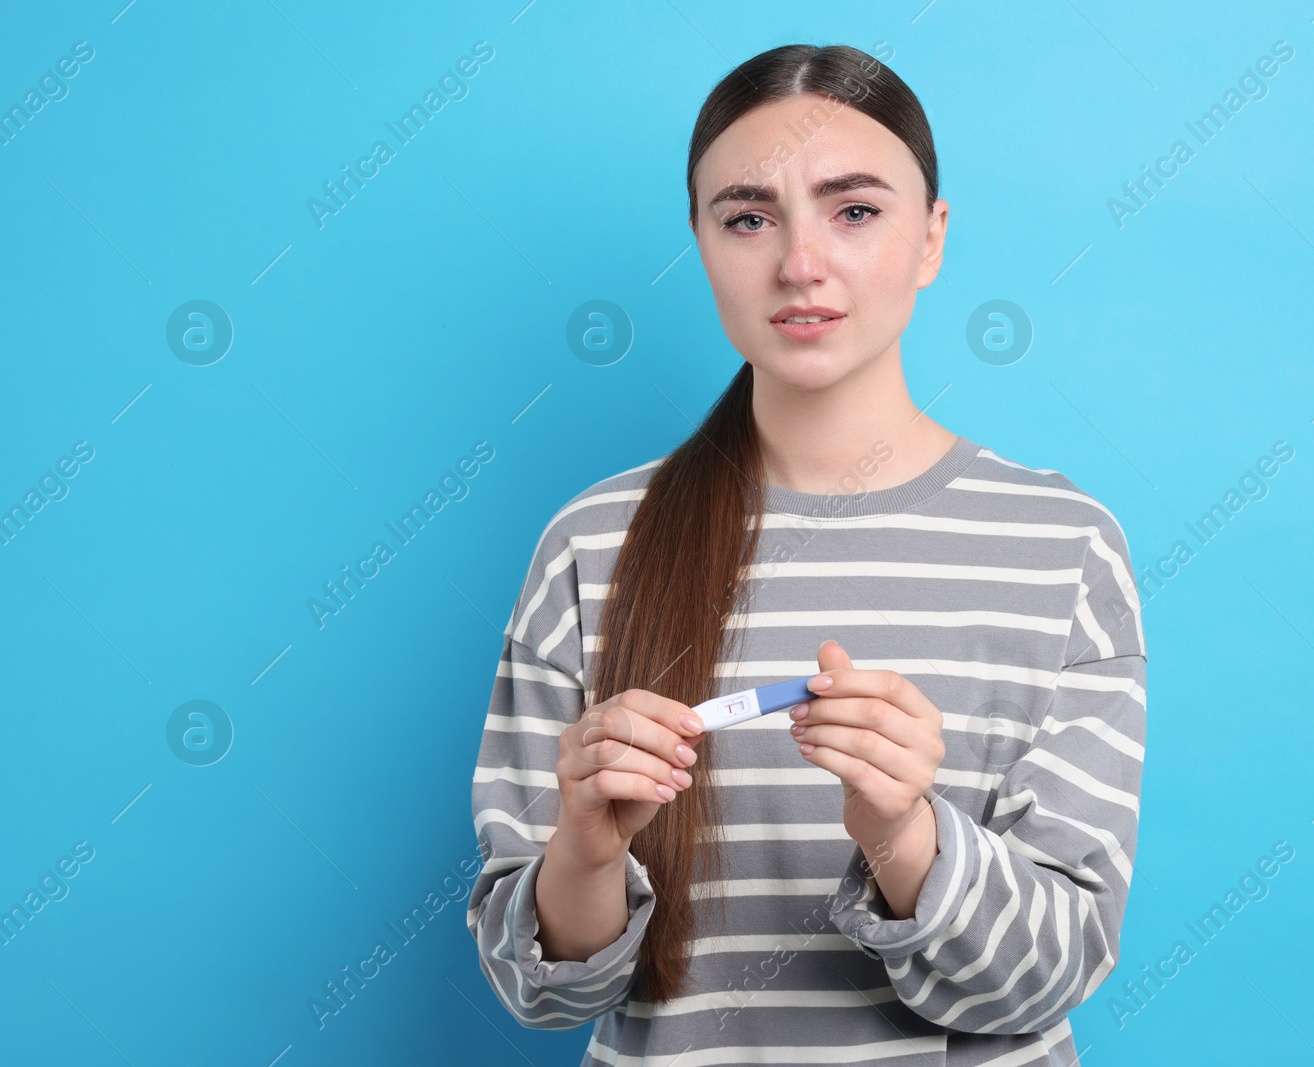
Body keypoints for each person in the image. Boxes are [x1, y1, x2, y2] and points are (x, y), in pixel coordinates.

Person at [466, 42, 1146, 1067]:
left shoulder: (1064, 548)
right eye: (747, 216)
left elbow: (1052, 972)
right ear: (700, 242)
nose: (799, 263)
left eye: (855, 209)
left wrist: (901, 833)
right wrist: (586, 848)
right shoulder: (591, 543)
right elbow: (536, 988)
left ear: (931, 237)